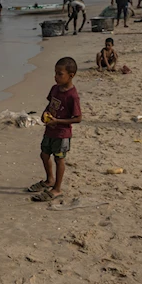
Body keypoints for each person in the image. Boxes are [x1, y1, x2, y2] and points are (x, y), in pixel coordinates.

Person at [29, 57, 82, 202]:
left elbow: (78, 118)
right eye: (55, 73)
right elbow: (50, 103)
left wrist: (57, 121)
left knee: (59, 159)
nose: (56, 77)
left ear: (71, 75)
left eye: (60, 74)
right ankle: (49, 180)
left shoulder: (72, 96)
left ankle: (57, 189)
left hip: (62, 133)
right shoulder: (55, 89)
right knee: (44, 154)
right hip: (50, 130)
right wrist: (44, 114)